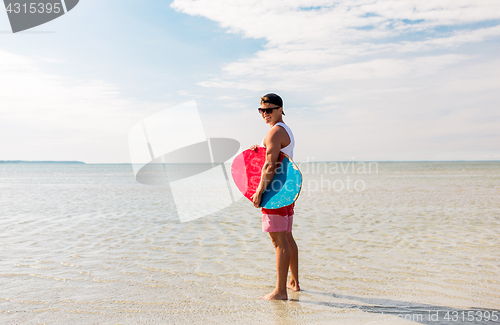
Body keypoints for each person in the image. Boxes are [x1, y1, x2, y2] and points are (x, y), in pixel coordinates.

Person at [250, 93, 300, 300]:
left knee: (279, 242)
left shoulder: (274, 133)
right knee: (287, 237)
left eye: (269, 110)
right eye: (262, 110)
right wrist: (259, 148)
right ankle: (294, 282)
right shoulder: (284, 130)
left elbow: (270, 165)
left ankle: (280, 292)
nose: (265, 114)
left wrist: (259, 191)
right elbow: (274, 155)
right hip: (286, 191)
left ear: (280, 109)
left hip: (274, 192)